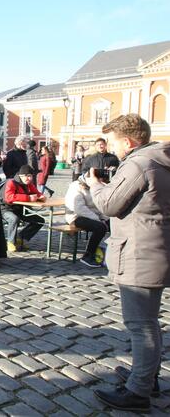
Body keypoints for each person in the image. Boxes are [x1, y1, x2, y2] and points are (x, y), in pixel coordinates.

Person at [89, 114, 170, 412]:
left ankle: (139, 391)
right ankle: (146, 376)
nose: (111, 146)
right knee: (148, 322)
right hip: (156, 249)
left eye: (113, 141)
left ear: (128, 141)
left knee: (141, 325)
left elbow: (109, 204)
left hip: (140, 252)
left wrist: (95, 185)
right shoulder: (161, 160)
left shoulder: (139, 163)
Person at [64, 175, 108, 267]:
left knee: (115, 223)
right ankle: (88, 256)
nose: (99, 181)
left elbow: (102, 204)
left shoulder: (99, 186)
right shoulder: (75, 187)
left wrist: (104, 218)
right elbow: (79, 208)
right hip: (76, 217)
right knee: (100, 227)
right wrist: (98, 219)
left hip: (94, 215)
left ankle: (112, 253)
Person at [1, 165, 46, 252]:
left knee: (39, 220)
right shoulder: (11, 182)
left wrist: (41, 196)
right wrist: (28, 198)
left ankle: (20, 239)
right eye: (27, 176)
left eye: (30, 176)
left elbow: (36, 193)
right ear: (21, 176)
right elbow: (8, 197)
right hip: (5, 209)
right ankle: (10, 242)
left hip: (19, 209)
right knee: (14, 219)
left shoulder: (29, 184)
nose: (29, 178)